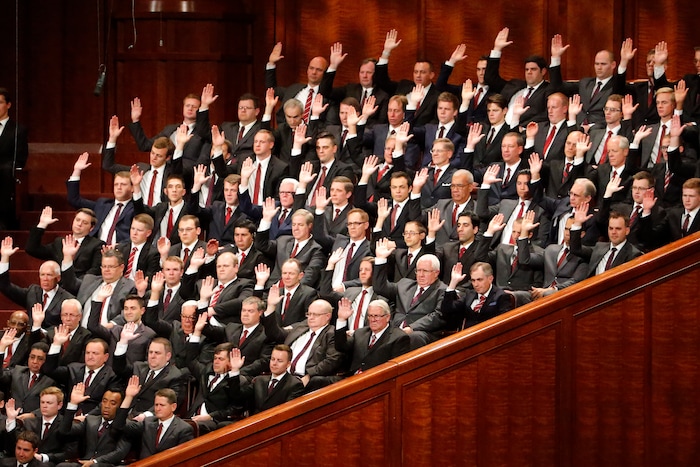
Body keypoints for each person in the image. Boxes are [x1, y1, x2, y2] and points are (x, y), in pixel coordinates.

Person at [259, 287, 342, 391]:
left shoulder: (331, 334)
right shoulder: (299, 328)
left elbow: (331, 361)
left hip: (305, 379)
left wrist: (309, 375)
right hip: (282, 376)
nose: (310, 317)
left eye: (315, 315)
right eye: (309, 314)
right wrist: (271, 307)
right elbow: (275, 334)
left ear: (327, 316)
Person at [548, 34, 632, 126]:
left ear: (613, 65)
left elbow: (619, 88)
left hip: (600, 130)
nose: (599, 67)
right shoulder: (585, 83)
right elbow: (557, 87)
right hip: (578, 129)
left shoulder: (616, 86)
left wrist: (624, 62)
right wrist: (556, 58)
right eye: (596, 64)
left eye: (603, 64)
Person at [373, 247, 448, 350]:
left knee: (412, 337)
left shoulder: (442, 290)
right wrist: (380, 260)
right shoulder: (404, 284)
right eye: (418, 271)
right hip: (395, 330)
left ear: (436, 273)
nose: (421, 275)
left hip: (421, 333)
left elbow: (438, 316)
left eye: (425, 271)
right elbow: (380, 287)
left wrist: (412, 328)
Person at [102, 115, 181, 207]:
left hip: (161, 214)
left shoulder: (172, 173)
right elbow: (108, 166)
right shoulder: (140, 169)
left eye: (158, 156)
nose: (153, 158)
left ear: (167, 157)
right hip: (140, 214)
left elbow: (178, 167)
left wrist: (180, 146)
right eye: (152, 153)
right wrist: (112, 139)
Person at [0, 237, 75, 329]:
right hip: (29, 338)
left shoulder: (67, 299)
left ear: (58, 278)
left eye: (49, 275)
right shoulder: (32, 292)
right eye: (42, 275)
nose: (45, 278)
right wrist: (4, 257)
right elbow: (5, 286)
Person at [112, 377, 194, 460]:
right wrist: (128, 397)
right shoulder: (148, 423)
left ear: (173, 407)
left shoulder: (183, 429)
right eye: (156, 405)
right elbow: (119, 425)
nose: (158, 409)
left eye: (162, 405)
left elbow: (184, 459)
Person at [484, 27, 550, 126]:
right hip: (500, 130)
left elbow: (545, 116)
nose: (529, 72)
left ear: (543, 71)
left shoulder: (547, 90)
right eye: (527, 69)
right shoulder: (515, 85)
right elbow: (490, 79)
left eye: (533, 69)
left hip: (523, 133)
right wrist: (497, 49)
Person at [66, 153, 134, 246]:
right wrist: (77, 171)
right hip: (97, 250)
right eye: (116, 184)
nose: (118, 187)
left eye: (123, 184)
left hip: (120, 251)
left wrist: (120, 246)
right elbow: (74, 200)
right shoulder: (103, 204)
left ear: (132, 188)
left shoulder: (136, 208)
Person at [375, 29, 439, 126]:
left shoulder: (437, 96)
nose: (418, 75)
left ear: (431, 75)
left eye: (422, 72)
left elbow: (433, 125)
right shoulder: (403, 86)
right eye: (416, 72)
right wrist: (386, 52)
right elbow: (381, 81)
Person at [42, 336, 119, 415]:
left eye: (95, 353)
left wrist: (87, 418)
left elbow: (105, 403)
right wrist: (56, 344)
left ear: (105, 357)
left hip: (92, 420)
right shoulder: (73, 369)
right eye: (87, 353)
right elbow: (49, 370)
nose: (90, 356)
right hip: (68, 416)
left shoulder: (112, 376)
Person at [58, 384, 132, 466]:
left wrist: (95, 461)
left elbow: (120, 453)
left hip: (106, 464)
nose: (107, 406)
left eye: (113, 403)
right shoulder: (90, 420)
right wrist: (73, 404)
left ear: (121, 406)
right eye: (104, 401)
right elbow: (64, 431)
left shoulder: (126, 426)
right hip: (85, 462)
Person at [129, 93, 205, 173]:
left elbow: (201, 162)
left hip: (186, 176)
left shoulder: (202, 134)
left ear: (200, 110)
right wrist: (135, 120)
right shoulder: (170, 129)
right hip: (162, 174)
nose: (190, 108)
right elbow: (145, 145)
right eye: (187, 105)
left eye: (194, 107)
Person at [334, 299, 410, 376]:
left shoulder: (399, 337)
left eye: (376, 316)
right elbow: (341, 346)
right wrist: (342, 319)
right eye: (370, 316)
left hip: (376, 381)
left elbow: (396, 370)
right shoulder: (360, 333)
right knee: (322, 381)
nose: (373, 320)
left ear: (387, 317)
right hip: (351, 378)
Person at [255, 205, 326, 288]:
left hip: (295, 293)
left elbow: (309, 277)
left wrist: (289, 291)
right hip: (271, 289)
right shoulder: (283, 240)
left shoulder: (316, 250)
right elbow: (261, 245)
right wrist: (266, 220)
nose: (296, 228)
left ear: (309, 226)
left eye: (300, 225)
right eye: (294, 224)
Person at [112, 338, 185, 418]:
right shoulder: (138, 367)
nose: (152, 356)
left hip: (149, 420)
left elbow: (170, 402)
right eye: (150, 352)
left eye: (157, 353)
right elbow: (119, 369)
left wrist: (146, 415)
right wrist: (123, 342)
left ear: (168, 356)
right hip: (125, 413)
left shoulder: (174, 376)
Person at [264, 42, 334, 125]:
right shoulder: (294, 89)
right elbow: (272, 91)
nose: (314, 72)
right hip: (288, 134)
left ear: (325, 73)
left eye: (319, 70)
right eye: (311, 68)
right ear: (307, 70)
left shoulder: (328, 95)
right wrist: (271, 63)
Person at [5, 386, 77, 464]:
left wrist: (44, 457)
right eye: (42, 402)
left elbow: (69, 452)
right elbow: (17, 442)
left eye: (49, 403)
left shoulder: (66, 424)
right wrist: (11, 419)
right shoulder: (29, 422)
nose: (44, 406)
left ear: (59, 405)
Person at [25, 207, 104, 279]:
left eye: (85, 223)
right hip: (59, 289)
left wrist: (74, 284)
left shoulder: (97, 245)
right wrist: (42, 225)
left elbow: (94, 272)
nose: (79, 224)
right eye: (77, 220)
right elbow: (32, 249)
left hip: (80, 290)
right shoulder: (60, 242)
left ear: (91, 228)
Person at [229, 345, 305, 415]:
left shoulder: (295, 384)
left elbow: (288, 412)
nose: (274, 363)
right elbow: (237, 397)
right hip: (253, 422)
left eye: (279, 361)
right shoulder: (259, 380)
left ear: (288, 364)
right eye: (272, 359)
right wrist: (235, 370)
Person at [570, 206, 642, 277]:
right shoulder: (599, 247)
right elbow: (576, 249)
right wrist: (577, 224)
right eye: (611, 228)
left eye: (618, 229)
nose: (613, 232)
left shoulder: (633, 254)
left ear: (627, 231)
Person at [196, 86, 262, 163]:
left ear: (256, 111)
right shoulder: (226, 127)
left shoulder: (261, 129)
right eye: (240, 107)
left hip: (246, 169)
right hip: (223, 169)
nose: (243, 110)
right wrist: (204, 105)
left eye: (247, 108)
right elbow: (203, 132)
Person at [441, 262, 513, 330]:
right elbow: (448, 310)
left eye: (479, 280)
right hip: (467, 337)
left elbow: (504, 324)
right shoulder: (469, 295)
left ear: (490, 279)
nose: (476, 284)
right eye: (473, 280)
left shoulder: (501, 296)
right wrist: (453, 283)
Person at [327, 57, 390, 128]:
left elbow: (381, 123)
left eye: (369, 72)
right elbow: (327, 92)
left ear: (376, 74)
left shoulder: (383, 96)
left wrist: (361, 120)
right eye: (362, 72)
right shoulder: (350, 89)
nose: (364, 76)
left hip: (368, 133)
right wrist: (333, 66)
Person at [436, 45, 492, 125]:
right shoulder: (466, 88)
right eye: (478, 69)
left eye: (484, 69)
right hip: (460, 131)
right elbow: (440, 86)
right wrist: (451, 62)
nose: (481, 73)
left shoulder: (495, 92)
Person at [28, 298, 91, 367]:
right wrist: (37, 324)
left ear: (79, 317)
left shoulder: (86, 336)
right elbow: (36, 348)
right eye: (65, 315)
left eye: (72, 315)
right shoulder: (52, 334)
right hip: (49, 374)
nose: (68, 319)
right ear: (61, 316)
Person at [0, 340, 55, 413]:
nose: (35, 361)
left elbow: (55, 404)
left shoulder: (51, 380)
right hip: (12, 417)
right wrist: (2, 349)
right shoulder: (17, 371)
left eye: (40, 359)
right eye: (32, 357)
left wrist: (33, 415)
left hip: (35, 421)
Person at [0, 87, 28, 231]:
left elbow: (21, 157)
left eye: (0, 103)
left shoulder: (18, 130)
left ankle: (4, 221)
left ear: (8, 105)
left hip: (5, 172)